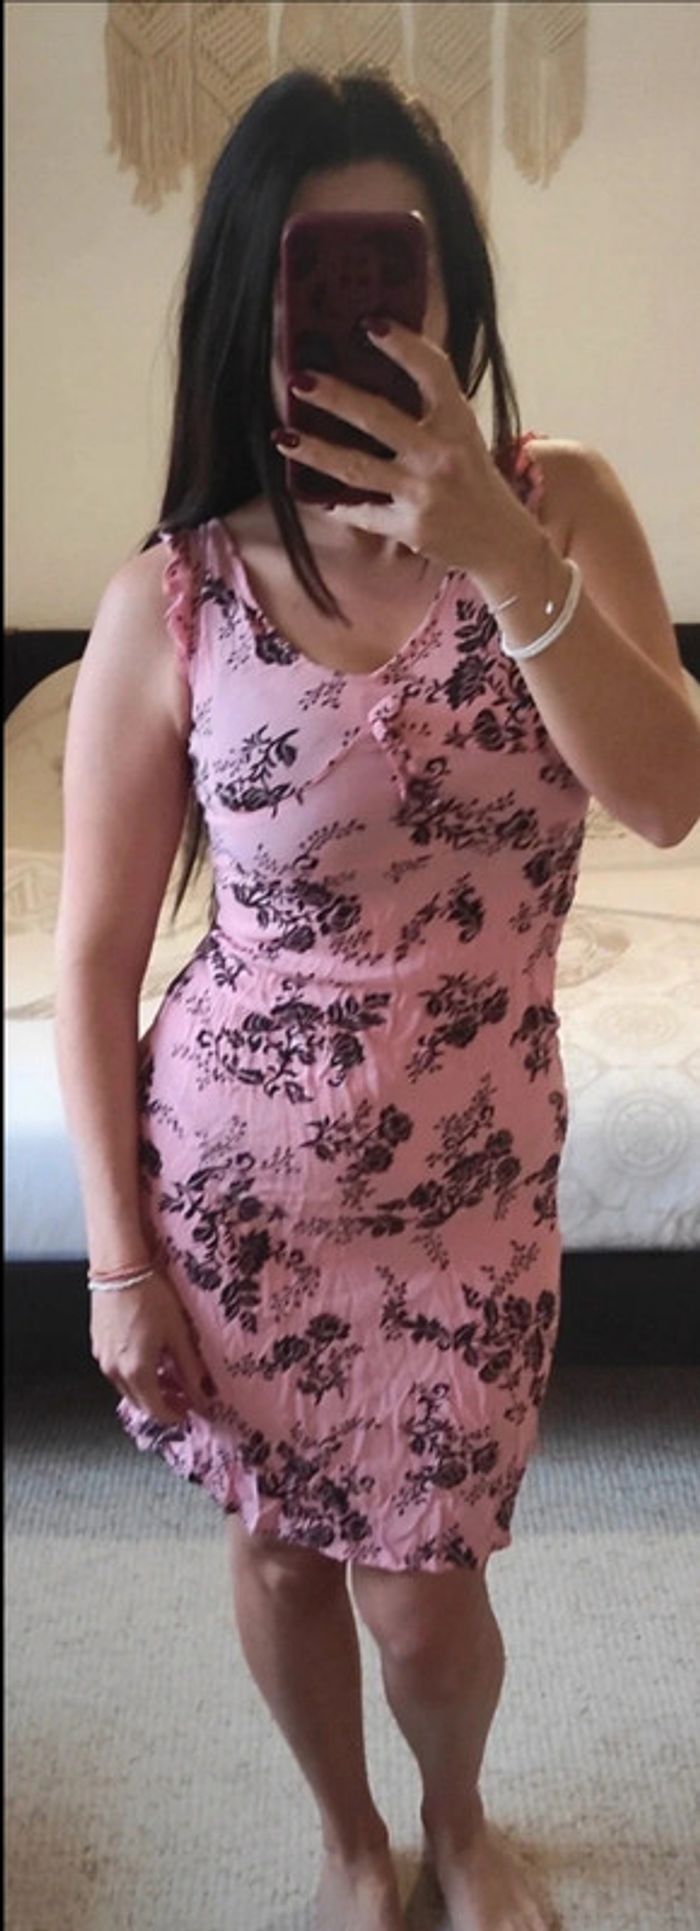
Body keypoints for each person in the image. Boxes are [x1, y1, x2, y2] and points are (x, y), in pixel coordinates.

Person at [54, 65, 700, 1931]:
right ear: (243, 308)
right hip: (238, 1194)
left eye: (384, 275)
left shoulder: (563, 507)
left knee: (426, 1597)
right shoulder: (172, 600)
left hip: (473, 1190)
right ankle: (351, 1845)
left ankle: (460, 1820)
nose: (346, 318)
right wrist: (116, 1259)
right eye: (302, 279)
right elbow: (94, 955)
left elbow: (669, 793)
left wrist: (506, 560)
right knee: (278, 1558)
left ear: (446, 295)